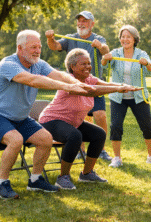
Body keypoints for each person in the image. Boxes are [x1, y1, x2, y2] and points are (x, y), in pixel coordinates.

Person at [0, 30, 90, 199]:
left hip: (21, 118)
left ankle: (35, 180)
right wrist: (67, 87)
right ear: (20, 48)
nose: (38, 50)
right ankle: (2, 183)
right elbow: (32, 80)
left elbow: (59, 75)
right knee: (16, 140)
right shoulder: (8, 64)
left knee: (46, 139)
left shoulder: (38, 64)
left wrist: (76, 83)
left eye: (39, 47)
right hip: (1, 116)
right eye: (33, 47)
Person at [39, 48, 142, 189]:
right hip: (52, 121)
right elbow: (91, 91)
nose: (88, 66)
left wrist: (124, 86)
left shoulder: (90, 79)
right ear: (72, 67)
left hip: (73, 122)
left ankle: (86, 174)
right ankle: (63, 177)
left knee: (99, 134)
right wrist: (118, 89)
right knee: (75, 136)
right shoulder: (68, 81)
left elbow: (104, 85)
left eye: (89, 63)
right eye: (83, 64)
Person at [45, 11, 112, 161]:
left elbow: (106, 51)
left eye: (85, 21)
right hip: (75, 86)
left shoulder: (99, 38)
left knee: (100, 115)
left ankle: (101, 150)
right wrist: (50, 38)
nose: (81, 23)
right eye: (79, 21)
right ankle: (79, 150)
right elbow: (55, 46)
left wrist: (100, 46)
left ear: (92, 24)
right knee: (77, 118)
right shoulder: (71, 38)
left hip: (94, 85)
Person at [101, 25, 151, 168]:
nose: (125, 39)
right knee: (116, 126)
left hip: (138, 96)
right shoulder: (116, 52)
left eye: (128, 36)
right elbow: (104, 65)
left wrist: (146, 63)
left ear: (134, 39)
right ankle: (117, 158)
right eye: (123, 36)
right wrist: (105, 58)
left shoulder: (141, 54)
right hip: (118, 97)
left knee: (147, 126)